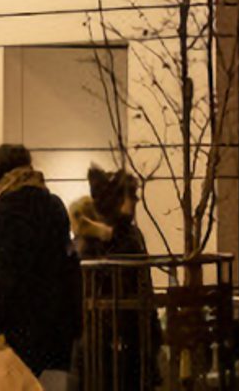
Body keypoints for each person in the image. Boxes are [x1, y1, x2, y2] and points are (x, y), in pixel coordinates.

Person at [0, 143, 80, 389]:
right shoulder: (54, 206)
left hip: (13, 335)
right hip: (53, 334)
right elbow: (69, 269)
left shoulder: (2, 211)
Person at [69, 166, 155, 391]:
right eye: (131, 196)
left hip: (117, 343)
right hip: (111, 344)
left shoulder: (121, 236)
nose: (136, 201)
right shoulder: (110, 239)